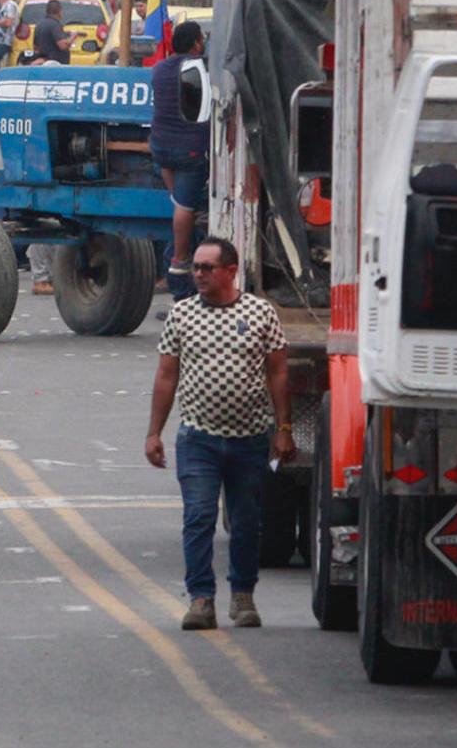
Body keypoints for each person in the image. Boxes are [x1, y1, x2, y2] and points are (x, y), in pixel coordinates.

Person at [142, 237, 294, 631]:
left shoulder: (261, 313)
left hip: (249, 439)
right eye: (196, 267)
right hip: (198, 439)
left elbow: (278, 372)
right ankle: (201, 599)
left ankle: (243, 595)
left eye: (208, 268)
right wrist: (154, 432)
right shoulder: (182, 315)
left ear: (231, 271)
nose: (199, 275)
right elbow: (166, 375)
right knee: (199, 517)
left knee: (246, 522)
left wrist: (284, 428)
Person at [151, 21, 210, 299]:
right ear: (196, 44)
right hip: (189, 151)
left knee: (179, 203)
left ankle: (177, 256)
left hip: (162, 151)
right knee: (185, 208)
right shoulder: (199, 69)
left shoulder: (159, 69)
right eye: (202, 39)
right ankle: (179, 262)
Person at [31, 0, 73, 64]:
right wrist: (73, 36)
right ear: (59, 11)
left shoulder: (39, 25)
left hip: (43, 64)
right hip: (55, 65)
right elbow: (63, 46)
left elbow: (36, 48)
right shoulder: (55, 25)